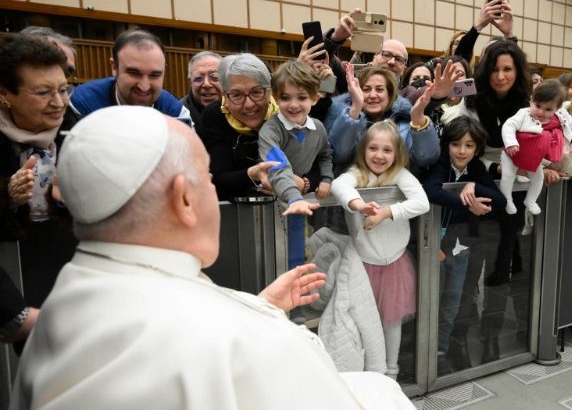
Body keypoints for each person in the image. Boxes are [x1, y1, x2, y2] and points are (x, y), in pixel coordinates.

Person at [10, 105, 414, 409]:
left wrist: (261, 306)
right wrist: (262, 323)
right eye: (206, 179)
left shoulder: (62, 304)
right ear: (184, 199)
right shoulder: (238, 340)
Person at [440, 38, 530, 363]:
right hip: (476, 191)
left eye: (508, 69)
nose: (501, 76)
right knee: (468, 268)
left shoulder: (527, 103)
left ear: (518, 72)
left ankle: (491, 336)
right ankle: (460, 337)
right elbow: (461, 141)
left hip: (513, 197)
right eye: (494, 69)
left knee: (500, 268)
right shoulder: (471, 98)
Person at [331, 120, 430, 380]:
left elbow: (422, 203)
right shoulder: (357, 174)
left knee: (391, 322)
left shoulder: (399, 174)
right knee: (363, 321)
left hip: (394, 264)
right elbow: (338, 185)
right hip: (362, 265)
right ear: (363, 149)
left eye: (387, 150)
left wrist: (387, 212)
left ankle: (391, 372)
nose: (379, 155)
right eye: (373, 148)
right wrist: (359, 205)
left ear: (397, 154)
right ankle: (367, 374)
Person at [0, 33, 79, 308]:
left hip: (71, 271)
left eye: (64, 89)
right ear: (5, 94)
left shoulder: (78, 132)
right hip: (12, 285)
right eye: (43, 93)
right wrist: (8, 195)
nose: (58, 103)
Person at [422, 116, 506, 372]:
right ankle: (422, 351)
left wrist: (474, 185)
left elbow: (500, 200)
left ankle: (441, 350)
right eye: (456, 144)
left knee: (453, 300)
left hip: (460, 245)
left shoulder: (476, 168)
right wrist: (465, 201)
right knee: (429, 297)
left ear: (477, 148)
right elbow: (431, 191)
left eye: (469, 145)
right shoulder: (440, 163)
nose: (462, 151)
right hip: (433, 242)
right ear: (446, 144)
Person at [259, 61, 331, 267]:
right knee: (275, 259)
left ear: (315, 98)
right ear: (275, 97)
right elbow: (277, 166)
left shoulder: (318, 127)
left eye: (302, 97)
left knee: (301, 258)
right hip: (277, 201)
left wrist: (326, 178)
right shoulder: (270, 130)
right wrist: (294, 198)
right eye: (285, 97)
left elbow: (325, 155)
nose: (293, 105)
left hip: (301, 202)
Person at [199, 53, 301, 201]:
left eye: (256, 92)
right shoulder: (214, 115)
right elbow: (217, 179)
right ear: (225, 96)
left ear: (269, 91)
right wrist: (252, 174)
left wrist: (305, 183)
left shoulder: (286, 109)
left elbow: (319, 159)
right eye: (237, 95)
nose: (248, 104)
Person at [500, 80, 572, 215]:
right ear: (531, 100)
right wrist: (511, 143)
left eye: (548, 109)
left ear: (558, 108)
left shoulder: (561, 117)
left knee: (538, 179)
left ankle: (530, 201)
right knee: (508, 176)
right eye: (537, 105)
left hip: (534, 156)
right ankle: (507, 200)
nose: (541, 112)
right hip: (512, 153)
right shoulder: (524, 114)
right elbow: (508, 126)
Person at [326, 64, 440, 173]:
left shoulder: (404, 122)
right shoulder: (342, 118)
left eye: (379, 89)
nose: (373, 95)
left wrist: (418, 119)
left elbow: (427, 159)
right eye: (366, 89)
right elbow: (339, 155)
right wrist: (355, 109)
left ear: (390, 95)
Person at [70, 29, 193, 126]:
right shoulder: (82, 104)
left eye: (154, 75)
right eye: (134, 73)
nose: (144, 87)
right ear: (114, 67)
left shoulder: (175, 113)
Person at [181, 51, 222, 134]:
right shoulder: (179, 114)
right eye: (198, 78)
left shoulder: (238, 109)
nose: (206, 84)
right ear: (190, 82)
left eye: (214, 77)